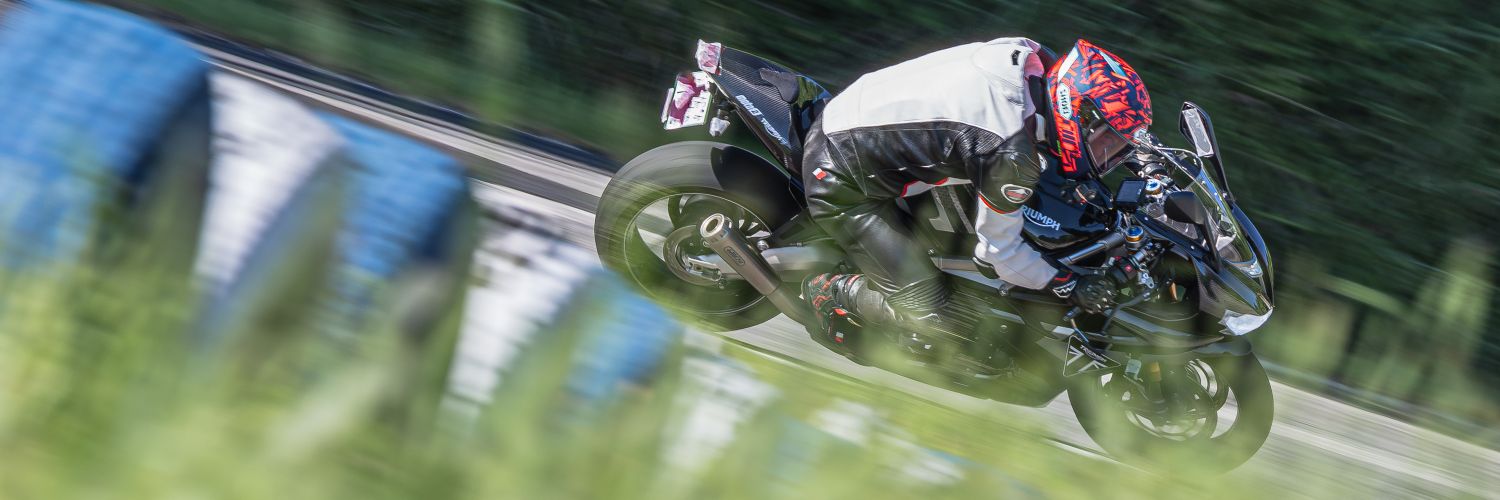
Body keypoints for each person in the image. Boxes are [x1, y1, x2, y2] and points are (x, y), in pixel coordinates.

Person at [800, 38, 1154, 349]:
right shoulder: (1010, 152)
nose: (1110, 155)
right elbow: (999, 255)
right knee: (936, 317)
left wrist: (1151, 165)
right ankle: (829, 290)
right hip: (840, 173)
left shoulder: (1037, 61)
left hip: (862, 110)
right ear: (1077, 113)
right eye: (1108, 141)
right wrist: (1069, 284)